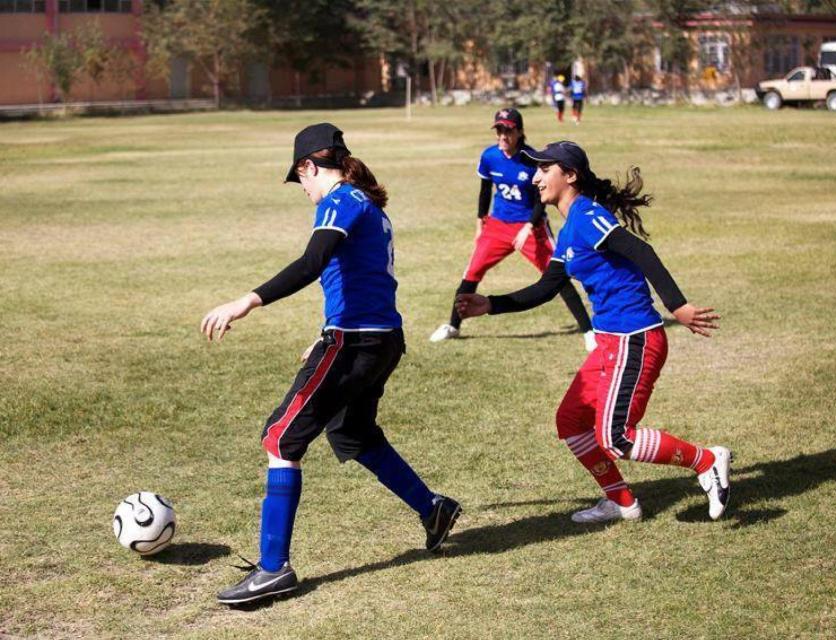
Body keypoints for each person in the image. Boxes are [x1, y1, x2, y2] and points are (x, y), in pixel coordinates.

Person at [202, 123, 461, 605]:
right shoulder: (368, 205)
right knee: (353, 435)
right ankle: (433, 508)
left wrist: (247, 301)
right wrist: (324, 334)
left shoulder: (340, 200)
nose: (301, 189)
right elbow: (359, 281)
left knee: (282, 437)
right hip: (380, 339)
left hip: (356, 344)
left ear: (309, 166)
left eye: (298, 178)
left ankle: (273, 568)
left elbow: (312, 262)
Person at [455, 140, 731, 523]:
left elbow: (641, 252)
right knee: (570, 421)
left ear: (570, 175)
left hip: (635, 336)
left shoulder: (587, 215)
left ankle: (708, 460)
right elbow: (546, 287)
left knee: (616, 437)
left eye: (544, 169)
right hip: (609, 341)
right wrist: (492, 304)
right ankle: (621, 501)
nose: (535, 178)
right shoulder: (569, 231)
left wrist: (677, 306)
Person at [430, 108, 595, 352]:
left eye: (508, 130)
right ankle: (453, 326)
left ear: (519, 132)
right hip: (497, 225)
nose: (503, 135)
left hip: (531, 226)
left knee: (557, 275)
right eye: (499, 130)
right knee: (471, 273)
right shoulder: (489, 156)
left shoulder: (532, 160)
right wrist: (480, 223)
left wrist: (528, 227)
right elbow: (485, 190)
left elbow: (541, 199)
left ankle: (588, 331)